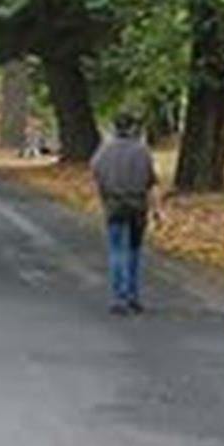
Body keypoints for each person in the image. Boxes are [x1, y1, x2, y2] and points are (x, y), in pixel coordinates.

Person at [89, 115, 160, 315]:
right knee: (134, 251)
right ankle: (133, 295)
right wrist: (156, 210)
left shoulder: (105, 151)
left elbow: (95, 171)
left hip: (114, 205)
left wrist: (104, 192)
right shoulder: (142, 151)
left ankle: (119, 296)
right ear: (132, 128)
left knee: (116, 250)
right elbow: (151, 182)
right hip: (137, 205)